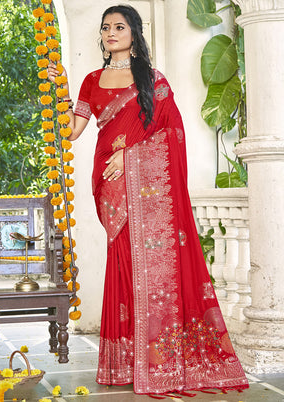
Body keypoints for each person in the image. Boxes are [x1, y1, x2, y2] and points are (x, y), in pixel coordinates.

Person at [48, 4, 249, 396]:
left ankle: (159, 360)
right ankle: (126, 361)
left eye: (119, 27)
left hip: (144, 184)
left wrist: (129, 156)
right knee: (123, 261)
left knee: (153, 265)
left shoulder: (153, 80)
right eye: (106, 27)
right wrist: (61, 89)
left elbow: (172, 134)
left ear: (134, 33)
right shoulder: (91, 80)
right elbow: (71, 131)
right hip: (110, 184)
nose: (110, 33)